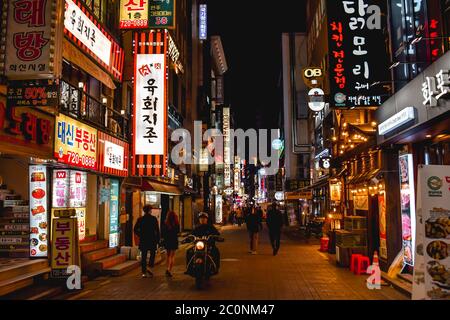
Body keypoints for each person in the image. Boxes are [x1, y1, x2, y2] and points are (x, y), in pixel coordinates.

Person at [134, 205, 160, 278]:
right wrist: (158, 240)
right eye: (151, 209)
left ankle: (143, 272)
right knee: (152, 254)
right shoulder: (153, 219)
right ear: (149, 210)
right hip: (152, 239)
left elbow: (135, 229)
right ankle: (150, 267)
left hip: (143, 240)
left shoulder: (140, 219)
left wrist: (140, 235)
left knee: (144, 256)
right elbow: (157, 231)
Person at [161, 211, 180, 277]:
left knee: (168, 255)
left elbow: (163, 232)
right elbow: (178, 232)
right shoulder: (176, 223)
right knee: (172, 256)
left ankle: (167, 268)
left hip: (167, 240)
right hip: (174, 240)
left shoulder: (165, 223)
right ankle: (169, 270)